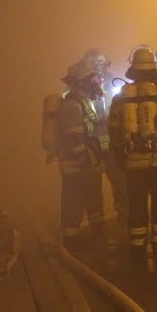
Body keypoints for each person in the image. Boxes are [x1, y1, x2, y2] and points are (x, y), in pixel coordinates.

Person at [108, 45, 157, 271]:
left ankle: (137, 252)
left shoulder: (122, 95)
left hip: (133, 163)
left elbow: (112, 128)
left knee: (137, 206)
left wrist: (120, 156)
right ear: (153, 70)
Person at [55, 60, 106, 248]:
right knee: (73, 203)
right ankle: (71, 242)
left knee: (94, 201)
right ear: (82, 81)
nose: (97, 82)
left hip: (88, 165)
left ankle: (98, 235)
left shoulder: (85, 102)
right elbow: (74, 137)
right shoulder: (71, 105)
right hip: (76, 167)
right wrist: (84, 159)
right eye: (92, 78)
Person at [81, 47, 127, 245]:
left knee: (120, 182)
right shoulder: (79, 87)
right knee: (92, 187)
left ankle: (124, 216)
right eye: (95, 64)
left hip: (112, 144)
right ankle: (97, 224)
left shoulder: (113, 83)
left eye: (101, 64)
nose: (99, 68)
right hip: (91, 147)